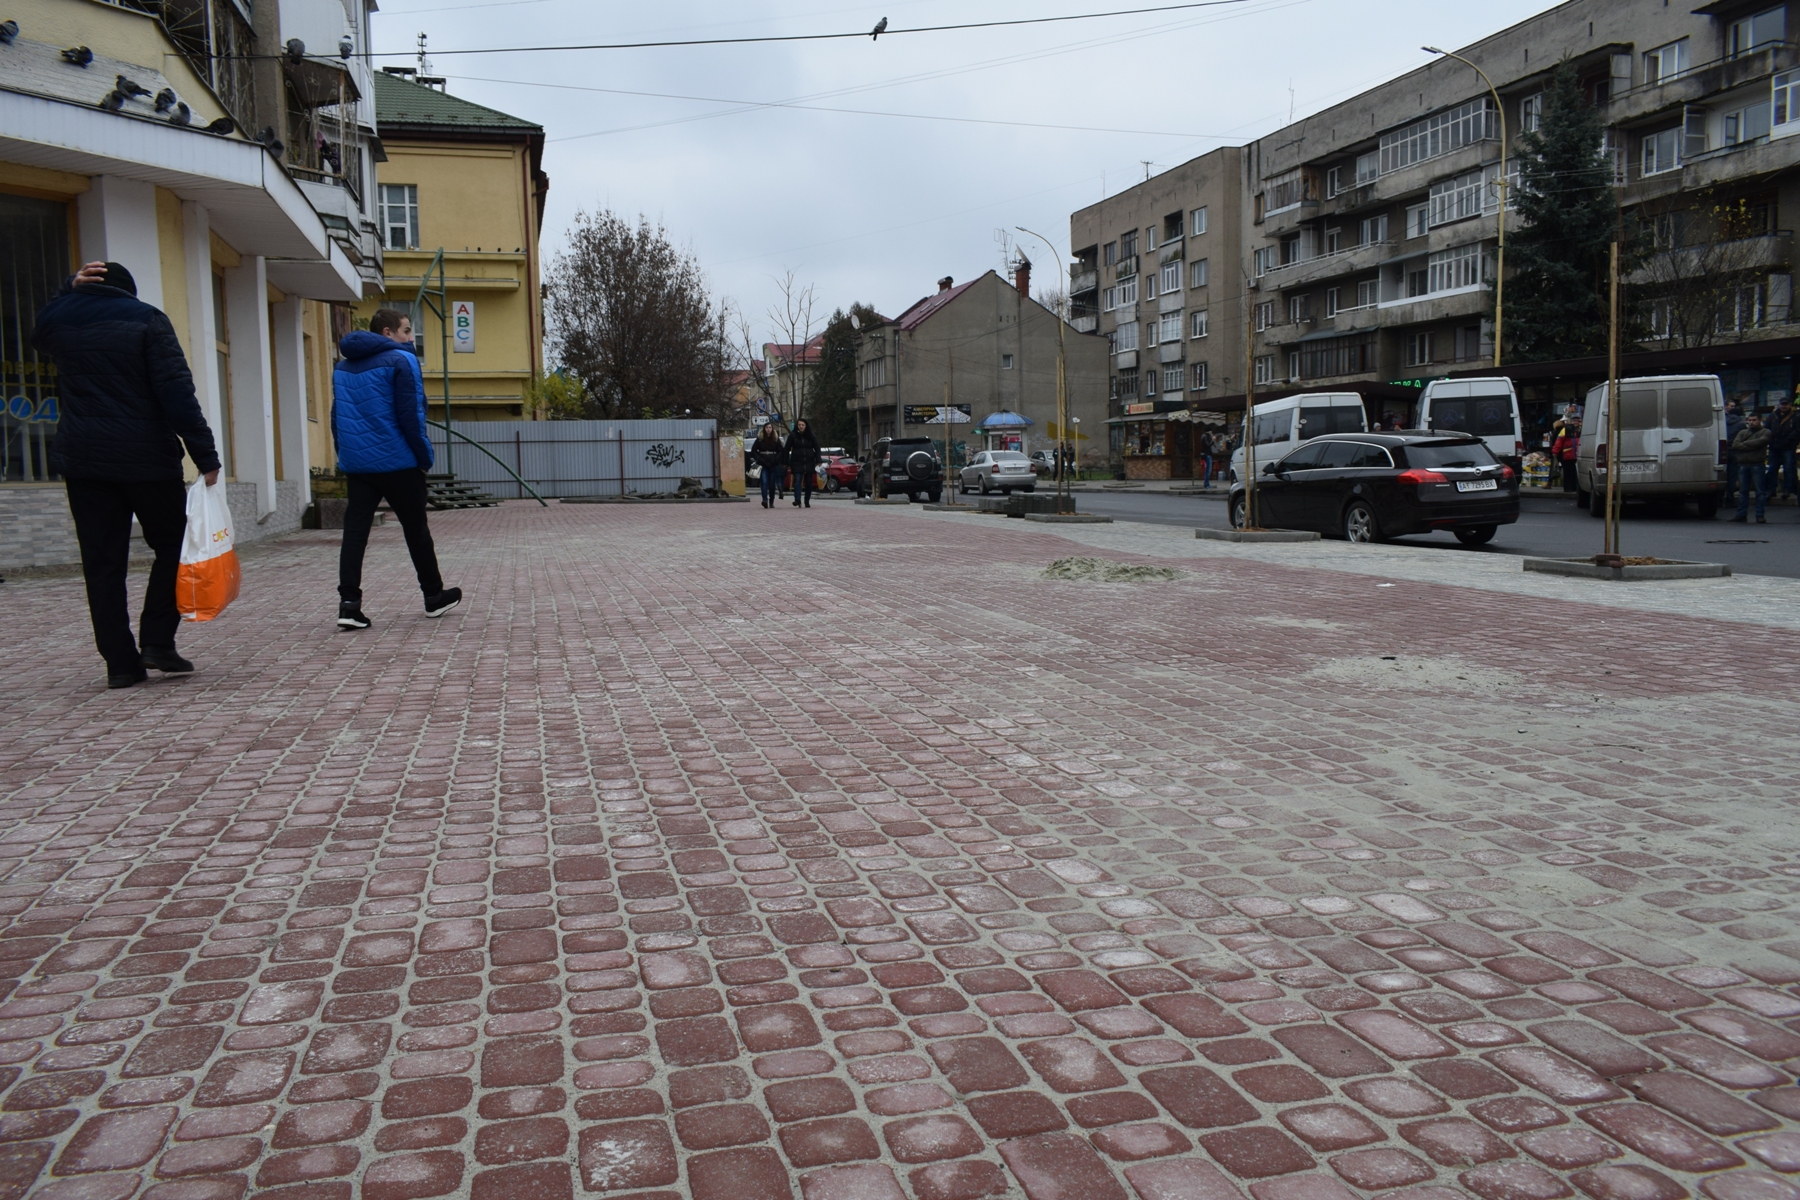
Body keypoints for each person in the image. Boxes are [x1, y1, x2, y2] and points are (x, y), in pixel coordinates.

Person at [32, 260, 222, 689]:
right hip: (146, 458)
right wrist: (204, 454)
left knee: (101, 562)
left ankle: (120, 664)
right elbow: (176, 390)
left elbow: (40, 332)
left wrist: (67, 289)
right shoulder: (146, 319)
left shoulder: (58, 320)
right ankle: (156, 640)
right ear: (128, 291)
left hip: (83, 459)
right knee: (176, 543)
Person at [332, 309, 460, 629]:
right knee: (416, 531)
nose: (410, 338)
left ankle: (349, 605)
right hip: (398, 461)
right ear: (387, 333)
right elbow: (411, 416)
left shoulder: (342, 368)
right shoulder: (402, 361)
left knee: (355, 534)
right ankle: (433, 597)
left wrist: (347, 455)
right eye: (406, 331)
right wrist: (423, 457)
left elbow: (337, 420)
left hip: (359, 465)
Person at [1730, 412, 1771, 524]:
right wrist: (1750, 445)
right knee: (1743, 492)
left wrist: (1745, 444)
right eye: (1749, 420)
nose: (1751, 422)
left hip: (1757, 464)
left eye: (1754, 420)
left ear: (1759, 420)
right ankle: (1741, 514)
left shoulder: (1765, 432)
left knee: (1760, 492)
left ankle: (1759, 515)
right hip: (1743, 464)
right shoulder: (1743, 432)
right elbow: (1735, 445)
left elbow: (1761, 442)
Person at [1765, 397, 1798, 500]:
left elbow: (1797, 431)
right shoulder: (1772, 416)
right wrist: (1770, 440)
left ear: (1790, 405)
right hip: (1774, 447)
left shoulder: (1796, 416)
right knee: (1772, 469)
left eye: (1786, 404)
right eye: (1782, 404)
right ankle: (1771, 490)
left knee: (1788, 469)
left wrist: (1789, 441)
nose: (1784, 406)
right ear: (1779, 405)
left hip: (1788, 447)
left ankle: (1787, 490)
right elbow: (1767, 429)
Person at [785, 418, 822, 508]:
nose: (801, 427)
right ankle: (797, 500)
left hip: (809, 461)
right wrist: (786, 461)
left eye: (803, 425)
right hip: (797, 462)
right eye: (799, 425)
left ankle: (807, 500)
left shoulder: (811, 435)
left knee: (809, 482)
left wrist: (818, 460)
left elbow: (817, 447)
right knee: (797, 480)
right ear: (797, 426)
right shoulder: (793, 436)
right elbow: (786, 449)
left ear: (806, 426)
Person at [751, 425, 786, 509]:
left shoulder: (776, 439)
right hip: (763, 463)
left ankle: (771, 501)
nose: (768, 429)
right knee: (764, 482)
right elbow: (754, 451)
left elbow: (781, 451)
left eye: (770, 427)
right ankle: (764, 500)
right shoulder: (760, 439)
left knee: (772, 484)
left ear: (772, 429)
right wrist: (759, 459)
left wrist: (776, 459)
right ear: (764, 429)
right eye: (767, 427)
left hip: (773, 464)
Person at [1550, 409, 1580, 493]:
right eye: (1574, 420)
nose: (1576, 422)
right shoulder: (1565, 430)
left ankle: (1574, 488)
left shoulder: (1580, 430)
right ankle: (1568, 488)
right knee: (1568, 473)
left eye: (1577, 420)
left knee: (1575, 473)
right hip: (1568, 455)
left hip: (1577, 455)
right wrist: (1555, 452)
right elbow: (1559, 442)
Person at [1723, 401, 1745, 506]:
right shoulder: (1741, 424)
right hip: (1735, 451)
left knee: (1722, 475)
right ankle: (1729, 498)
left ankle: (1719, 499)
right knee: (1732, 476)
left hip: (1722, 451)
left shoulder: (1723, 421)